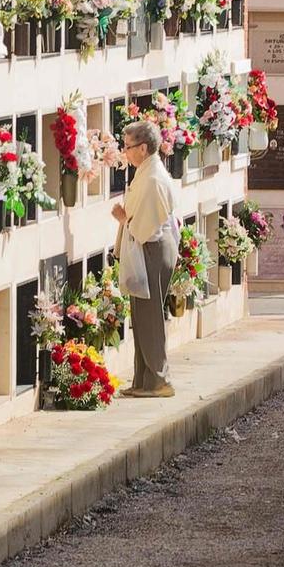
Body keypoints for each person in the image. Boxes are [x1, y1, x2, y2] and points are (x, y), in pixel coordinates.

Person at [113, 120, 179, 398]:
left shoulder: (152, 177)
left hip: (153, 249)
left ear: (142, 148)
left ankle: (158, 381)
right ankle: (142, 381)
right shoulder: (146, 170)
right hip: (148, 249)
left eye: (128, 147)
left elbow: (143, 225)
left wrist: (122, 218)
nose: (124, 152)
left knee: (150, 316)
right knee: (140, 316)